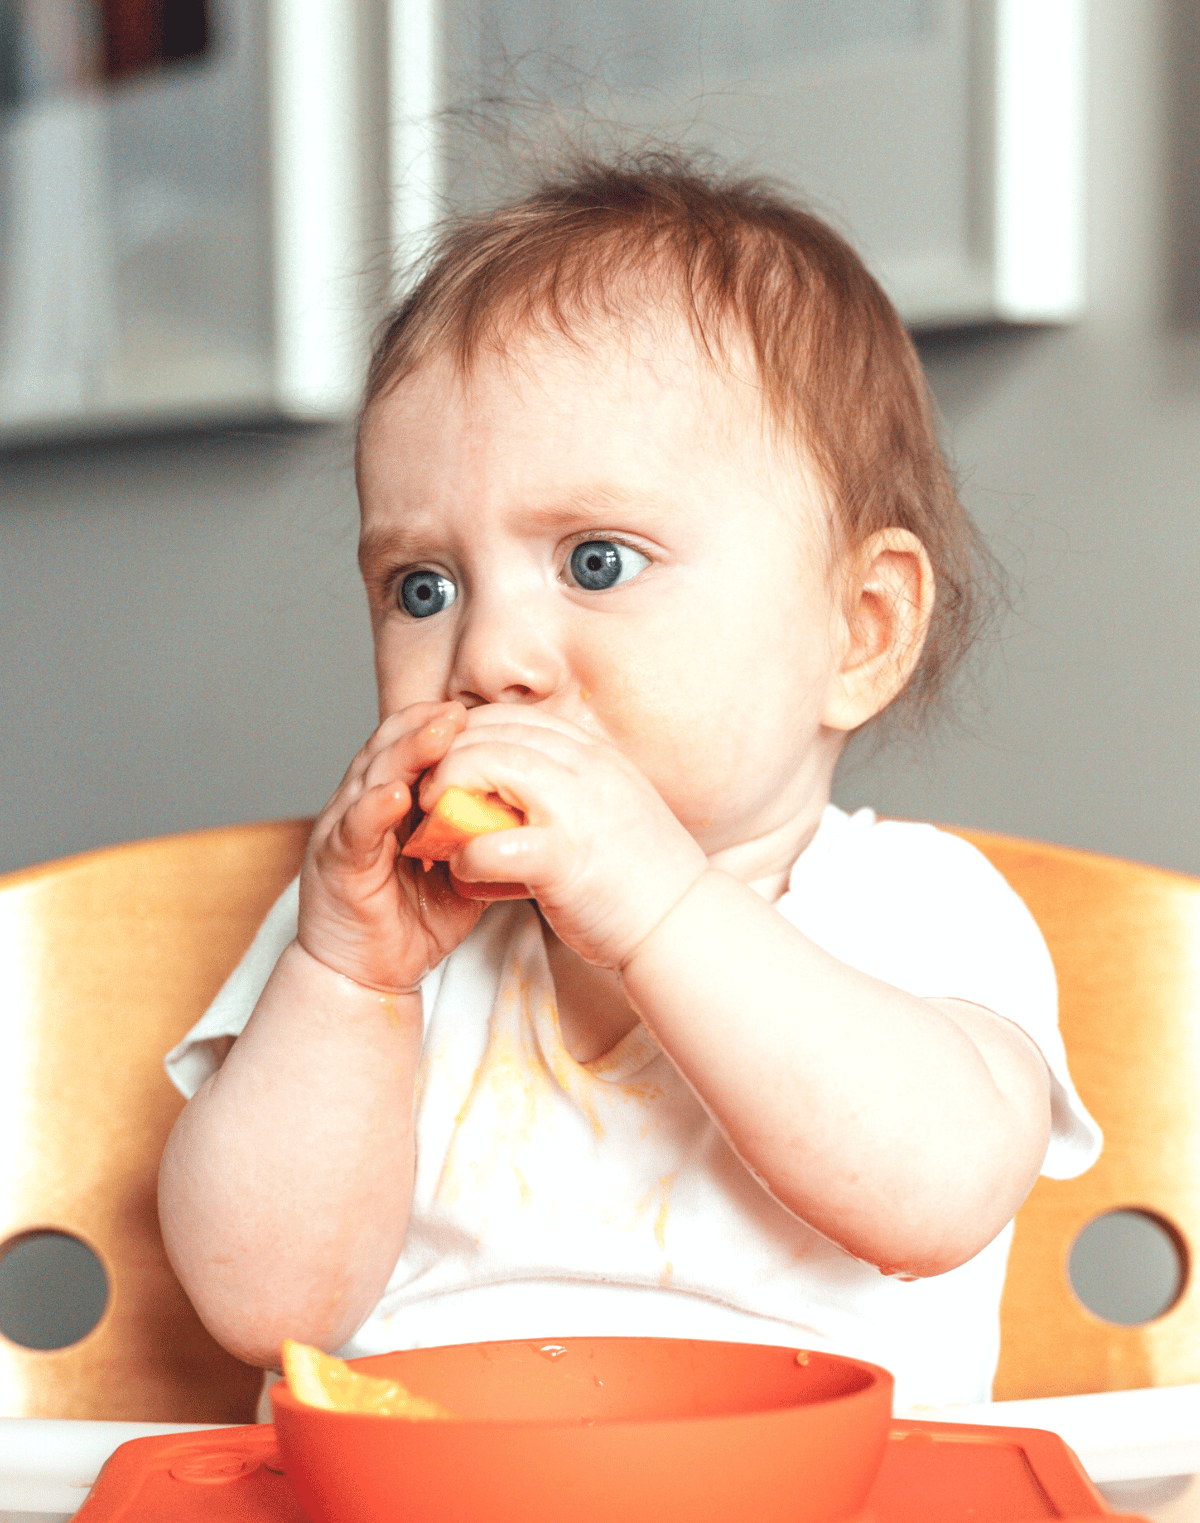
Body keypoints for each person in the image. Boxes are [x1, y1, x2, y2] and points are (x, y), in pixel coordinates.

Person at [158, 153, 1100, 1412]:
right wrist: (345, 976)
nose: (488, 656)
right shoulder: (369, 932)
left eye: (596, 561)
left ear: (861, 628)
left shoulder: (916, 908)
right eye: (422, 588)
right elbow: (264, 1308)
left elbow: (934, 1198)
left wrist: (655, 907)